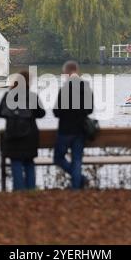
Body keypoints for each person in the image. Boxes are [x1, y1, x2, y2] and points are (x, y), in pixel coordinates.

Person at [0, 70, 45, 191]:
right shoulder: (32, 96)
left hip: (12, 136)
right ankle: (31, 192)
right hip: (29, 136)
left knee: (16, 162)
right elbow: (41, 113)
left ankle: (19, 193)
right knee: (29, 163)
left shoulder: (8, 96)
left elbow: (0, 113)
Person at [53, 61, 94, 190]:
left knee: (58, 158)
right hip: (80, 130)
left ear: (67, 73)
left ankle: (80, 179)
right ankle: (77, 185)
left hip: (65, 130)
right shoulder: (86, 87)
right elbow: (90, 110)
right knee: (77, 160)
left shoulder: (64, 89)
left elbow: (56, 112)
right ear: (77, 71)